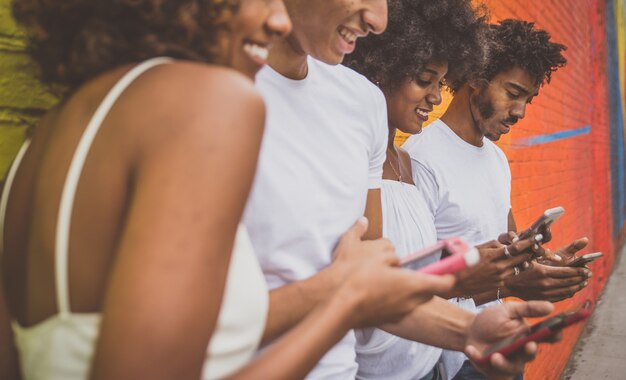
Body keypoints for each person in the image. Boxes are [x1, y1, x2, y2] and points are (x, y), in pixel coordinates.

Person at [0, 1, 459, 379]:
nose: (278, 20)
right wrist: (344, 299)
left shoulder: (44, 138)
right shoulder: (212, 101)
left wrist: (467, 329)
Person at [244, 1, 555, 379]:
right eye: (425, 80)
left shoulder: (362, 102)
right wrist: (343, 289)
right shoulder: (218, 92)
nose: (378, 19)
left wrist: (470, 330)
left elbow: (374, 284)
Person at [403, 19, 591, 379]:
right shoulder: (421, 160)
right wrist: (510, 285)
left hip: (498, 346)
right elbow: (412, 292)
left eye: (528, 99)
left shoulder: (497, 159)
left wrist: (540, 265)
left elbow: (509, 252)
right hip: (453, 357)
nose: (520, 112)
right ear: (476, 77)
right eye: (513, 93)